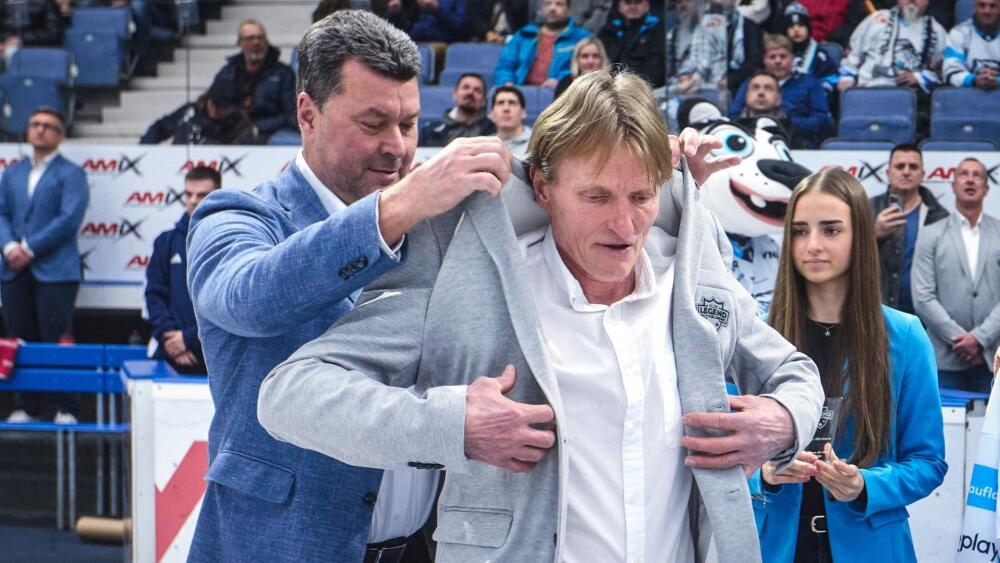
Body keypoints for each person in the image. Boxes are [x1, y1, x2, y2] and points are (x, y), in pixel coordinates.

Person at [257, 70, 823, 563]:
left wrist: (782, 422)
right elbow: (289, 394)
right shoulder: (467, 279)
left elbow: (794, 372)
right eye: (596, 197)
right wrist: (452, 426)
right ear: (544, 188)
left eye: (641, 197)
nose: (625, 226)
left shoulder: (690, 269)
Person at [185, 10, 515, 563]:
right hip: (278, 549)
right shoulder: (235, 216)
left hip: (425, 547)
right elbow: (250, 299)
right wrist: (396, 209)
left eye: (408, 124)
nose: (398, 147)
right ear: (307, 113)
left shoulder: (433, 227)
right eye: (373, 123)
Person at [755, 167, 946, 562]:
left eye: (831, 230)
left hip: (871, 547)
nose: (812, 245)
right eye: (800, 231)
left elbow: (928, 462)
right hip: (773, 546)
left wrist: (865, 485)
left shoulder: (906, 336)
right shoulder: (756, 335)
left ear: (859, 235)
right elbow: (724, 454)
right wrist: (765, 475)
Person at [0, 107, 87, 424]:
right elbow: (1, 213)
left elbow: (69, 219)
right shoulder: (12, 173)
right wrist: (9, 247)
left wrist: (29, 248)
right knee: (18, 337)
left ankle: (67, 407)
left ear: (60, 135)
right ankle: (28, 407)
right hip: (13, 270)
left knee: (56, 339)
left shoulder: (72, 174)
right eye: (35, 124)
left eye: (48, 126)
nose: (40, 130)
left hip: (56, 271)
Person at [912, 158, 1000, 393]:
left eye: (977, 175)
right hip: (944, 357)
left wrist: (980, 339)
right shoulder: (930, 234)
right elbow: (922, 297)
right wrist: (959, 339)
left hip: (992, 357)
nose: (970, 180)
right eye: (964, 174)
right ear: (953, 185)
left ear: (986, 187)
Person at [144, 166, 220, 375]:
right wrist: (171, 340)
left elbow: (228, 305)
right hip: (171, 356)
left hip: (217, 357)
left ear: (217, 196)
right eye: (188, 194)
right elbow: (154, 295)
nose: (193, 200)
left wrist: (189, 339)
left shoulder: (230, 240)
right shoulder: (165, 242)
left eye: (201, 195)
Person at [870, 143, 948, 314]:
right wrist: (874, 235)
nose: (906, 172)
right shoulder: (867, 209)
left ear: (922, 175)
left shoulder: (939, 216)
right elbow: (846, 257)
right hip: (875, 312)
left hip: (924, 317)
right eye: (900, 166)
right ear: (888, 174)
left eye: (913, 167)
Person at [730, 34, 831, 148]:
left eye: (783, 56)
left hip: (799, 143)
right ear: (764, 59)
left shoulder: (810, 82)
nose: (778, 61)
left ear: (792, 58)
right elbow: (734, 116)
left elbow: (821, 120)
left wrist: (785, 124)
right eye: (772, 57)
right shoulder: (752, 82)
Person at [837, 0, 947, 94]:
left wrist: (920, 78)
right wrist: (846, 82)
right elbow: (852, 59)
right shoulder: (877, 19)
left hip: (910, 97)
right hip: (866, 91)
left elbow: (943, 72)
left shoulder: (937, 31)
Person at [211, 20, 297, 141]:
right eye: (250, 38)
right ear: (239, 43)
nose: (256, 42)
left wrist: (258, 127)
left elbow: (292, 114)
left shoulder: (284, 74)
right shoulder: (228, 72)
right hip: (229, 130)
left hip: (266, 134)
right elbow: (212, 104)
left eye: (260, 38)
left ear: (266, 42)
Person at [677, 0, 765, 100]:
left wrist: (729, 80)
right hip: (698, 84)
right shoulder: (698, 25)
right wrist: (686, 74)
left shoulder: (749, 27)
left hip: (733, 87)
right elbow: (689, 57)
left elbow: (753, 64)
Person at [493, 0, 591, 87]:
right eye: (548, 3)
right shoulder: (524, 35)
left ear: (568, 10)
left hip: (562, 95)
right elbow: (505, 66)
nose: (552, 8)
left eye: (559, 4)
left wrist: (562, 83)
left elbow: (587, 70)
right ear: (542, 8)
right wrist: (507, 83)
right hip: (522, 92)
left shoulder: (581, 37)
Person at [139, 79, 258, 145]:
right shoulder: (191, 111)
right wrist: (144, 148)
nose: (215, 110)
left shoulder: (241, 127)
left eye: (222, 107)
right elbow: (160, 127)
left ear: (233, 108)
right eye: (213, 103)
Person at [597, 0, 665, 87]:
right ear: (619, 7)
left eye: (638, 2)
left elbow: (656, 69)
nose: (633, 7)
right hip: (609, 85)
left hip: (642, 87)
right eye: (628, 2)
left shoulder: (658, 30)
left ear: (647, 6)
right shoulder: (609, 30)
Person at [418, 72, 495, 147]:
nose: (470, 92)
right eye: (465, 87)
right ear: (455, 94)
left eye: (477, 90)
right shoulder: (429, 132)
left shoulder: (494, 130)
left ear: (484, 101)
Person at [782, 3, 840, 90]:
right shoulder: (779, 54)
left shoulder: (820, 56)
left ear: (808, 29)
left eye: (801, 25)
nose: (796, 30)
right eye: (791, 27)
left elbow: (830, 79)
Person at [944, 0, 1000, 90]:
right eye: (982, 5)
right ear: (975, 7)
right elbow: (950, 72)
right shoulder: (958, 33)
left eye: (993, 6)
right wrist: (974, 79)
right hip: (968, 94)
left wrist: (997, 80)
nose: (987, 11)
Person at [382, 0, 471, 43]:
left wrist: (438, 9)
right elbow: (405, 30)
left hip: (444, 44)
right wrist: (394, 14)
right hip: (412, 43)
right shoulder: (412, 3)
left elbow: (461, 29)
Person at [490, 85, 531, 157]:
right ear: (491, 114)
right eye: (500, 103)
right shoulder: (483, 145)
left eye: (512, 103)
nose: (506, 108)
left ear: (523, 113)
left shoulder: (538, 144)